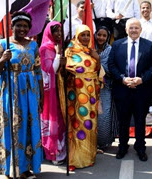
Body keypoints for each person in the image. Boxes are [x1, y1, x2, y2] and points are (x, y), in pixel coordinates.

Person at [0, 11, 43, 178]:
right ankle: (10, 169)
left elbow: (38, 71)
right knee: (12, 129)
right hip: (11, 92)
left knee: (29, 129)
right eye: (19, 25)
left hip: (31, 93)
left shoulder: (34, 46)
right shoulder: (2, 44)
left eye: (25, 26)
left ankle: (25, 168)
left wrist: (41, 96)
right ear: (12, 26)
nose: (22, 29)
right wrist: (2, 60)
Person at [108, 18, 152, 162]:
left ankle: (140, 148)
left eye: (136, 28)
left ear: (141, 29)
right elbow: (111, 65)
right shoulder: (117, 45)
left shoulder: (149, 45)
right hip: (122, 89)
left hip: (141, 90)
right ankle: (122, 146)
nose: (134, 30)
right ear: (126, 30)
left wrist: (142, 79)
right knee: (123, 121)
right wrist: (122, 79)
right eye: (131, 28)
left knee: (140, 121)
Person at [64, 25, 101, 171]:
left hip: (91, 94)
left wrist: (97, 58)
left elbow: (97, 71)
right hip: (77, 95)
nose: (85, 38)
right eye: (82, 35)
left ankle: (89, 156)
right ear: (77, 36)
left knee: (90, 123)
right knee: (77, 124)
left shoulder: (91, 51)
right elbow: (66, 72)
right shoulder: (70, 51)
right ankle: (75, 159)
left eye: (87, 35)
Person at [39, 21, 66, 165]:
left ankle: (61, 151)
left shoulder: (59, 47)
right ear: (49, 32)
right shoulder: (45, 48)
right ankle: (53, 153)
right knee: (52, 122)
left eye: (60, 31)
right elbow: (49, 71)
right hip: (50, 92)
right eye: (56, 31)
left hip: (59, 90)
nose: (59, 34)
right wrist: (57, 57)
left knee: (61, 121)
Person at [95, 26, 116, 150]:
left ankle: (103, 143)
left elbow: (112, 68)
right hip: (89, 86)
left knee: (104, 115)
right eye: (99, 35)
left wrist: (101, 69)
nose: (101, 38)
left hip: (105, 86)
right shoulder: (90, 48)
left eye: (104, 35)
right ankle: (91, 142)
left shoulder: (110, 50)